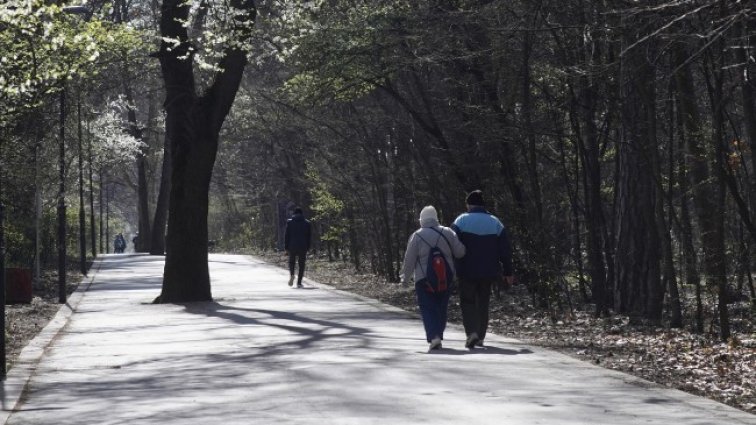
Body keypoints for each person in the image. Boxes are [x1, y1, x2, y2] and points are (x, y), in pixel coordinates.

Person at [451, 190, 514, 349]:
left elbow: (451, 242)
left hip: (466, 269)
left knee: (467, 301)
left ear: (469, 204)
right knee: (483, 302)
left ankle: (471, 332)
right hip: (489, 270)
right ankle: (480, 336)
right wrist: (508, 272)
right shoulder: (495, 222)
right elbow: (505, 250)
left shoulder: (461, 220)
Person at [401, 205, 465, 351]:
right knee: (441, 307)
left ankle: (434, 336)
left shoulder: (417, 235)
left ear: (421, 219)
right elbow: (460, 252)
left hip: (424, 280)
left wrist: (405, 279)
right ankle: (438, 334)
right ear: (436, 218)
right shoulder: (448, 232)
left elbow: (409, 260)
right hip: (446, 278)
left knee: (428, 308)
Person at [284, 207, 312, 288]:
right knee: (301, 264)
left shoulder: (290, 222)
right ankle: (299, 282)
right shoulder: (307, 223)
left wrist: (286, 247)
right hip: (303, 246)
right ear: (302, 214)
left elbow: (287, 236)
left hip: (292, 246)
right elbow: (308, 237)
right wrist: (308, 247)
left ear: (294, 214)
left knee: (292, 262)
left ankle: (292, 274)